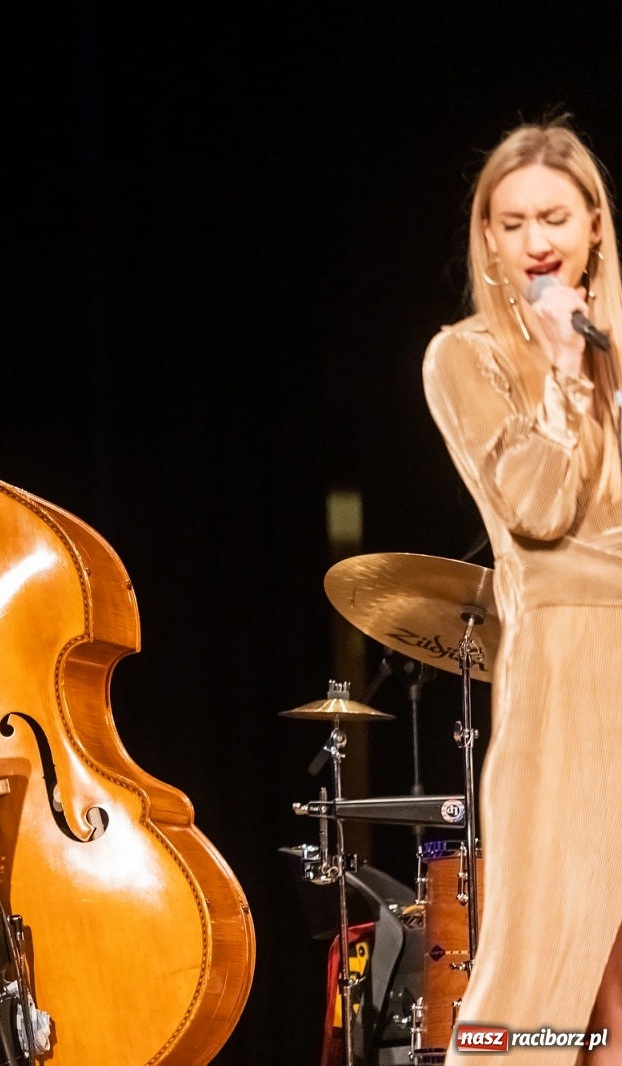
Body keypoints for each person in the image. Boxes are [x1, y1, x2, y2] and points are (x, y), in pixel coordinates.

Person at [423, 121, 622, 1065]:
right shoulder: (466, 357)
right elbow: (540, 508)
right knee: (541, 979)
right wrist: (567, 377)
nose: (537, 240)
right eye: (513, 222)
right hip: (570, 668)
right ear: (487, 238)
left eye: (554, 217)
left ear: (593, 225)